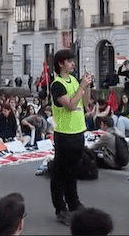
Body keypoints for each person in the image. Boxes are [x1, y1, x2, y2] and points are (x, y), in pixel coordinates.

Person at [49, 49, 92, 226]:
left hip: (78, 131)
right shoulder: (57, 85)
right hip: (64, 134)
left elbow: (85, 103)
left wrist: (87, 86)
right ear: (61, 63)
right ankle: (61, 208)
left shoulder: (73, 80)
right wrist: (81, 87)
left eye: (73, 60)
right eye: (69, 61)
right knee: (60, 172)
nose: (73, 63)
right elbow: (70, 105)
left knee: (73, 171)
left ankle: (74, 202)